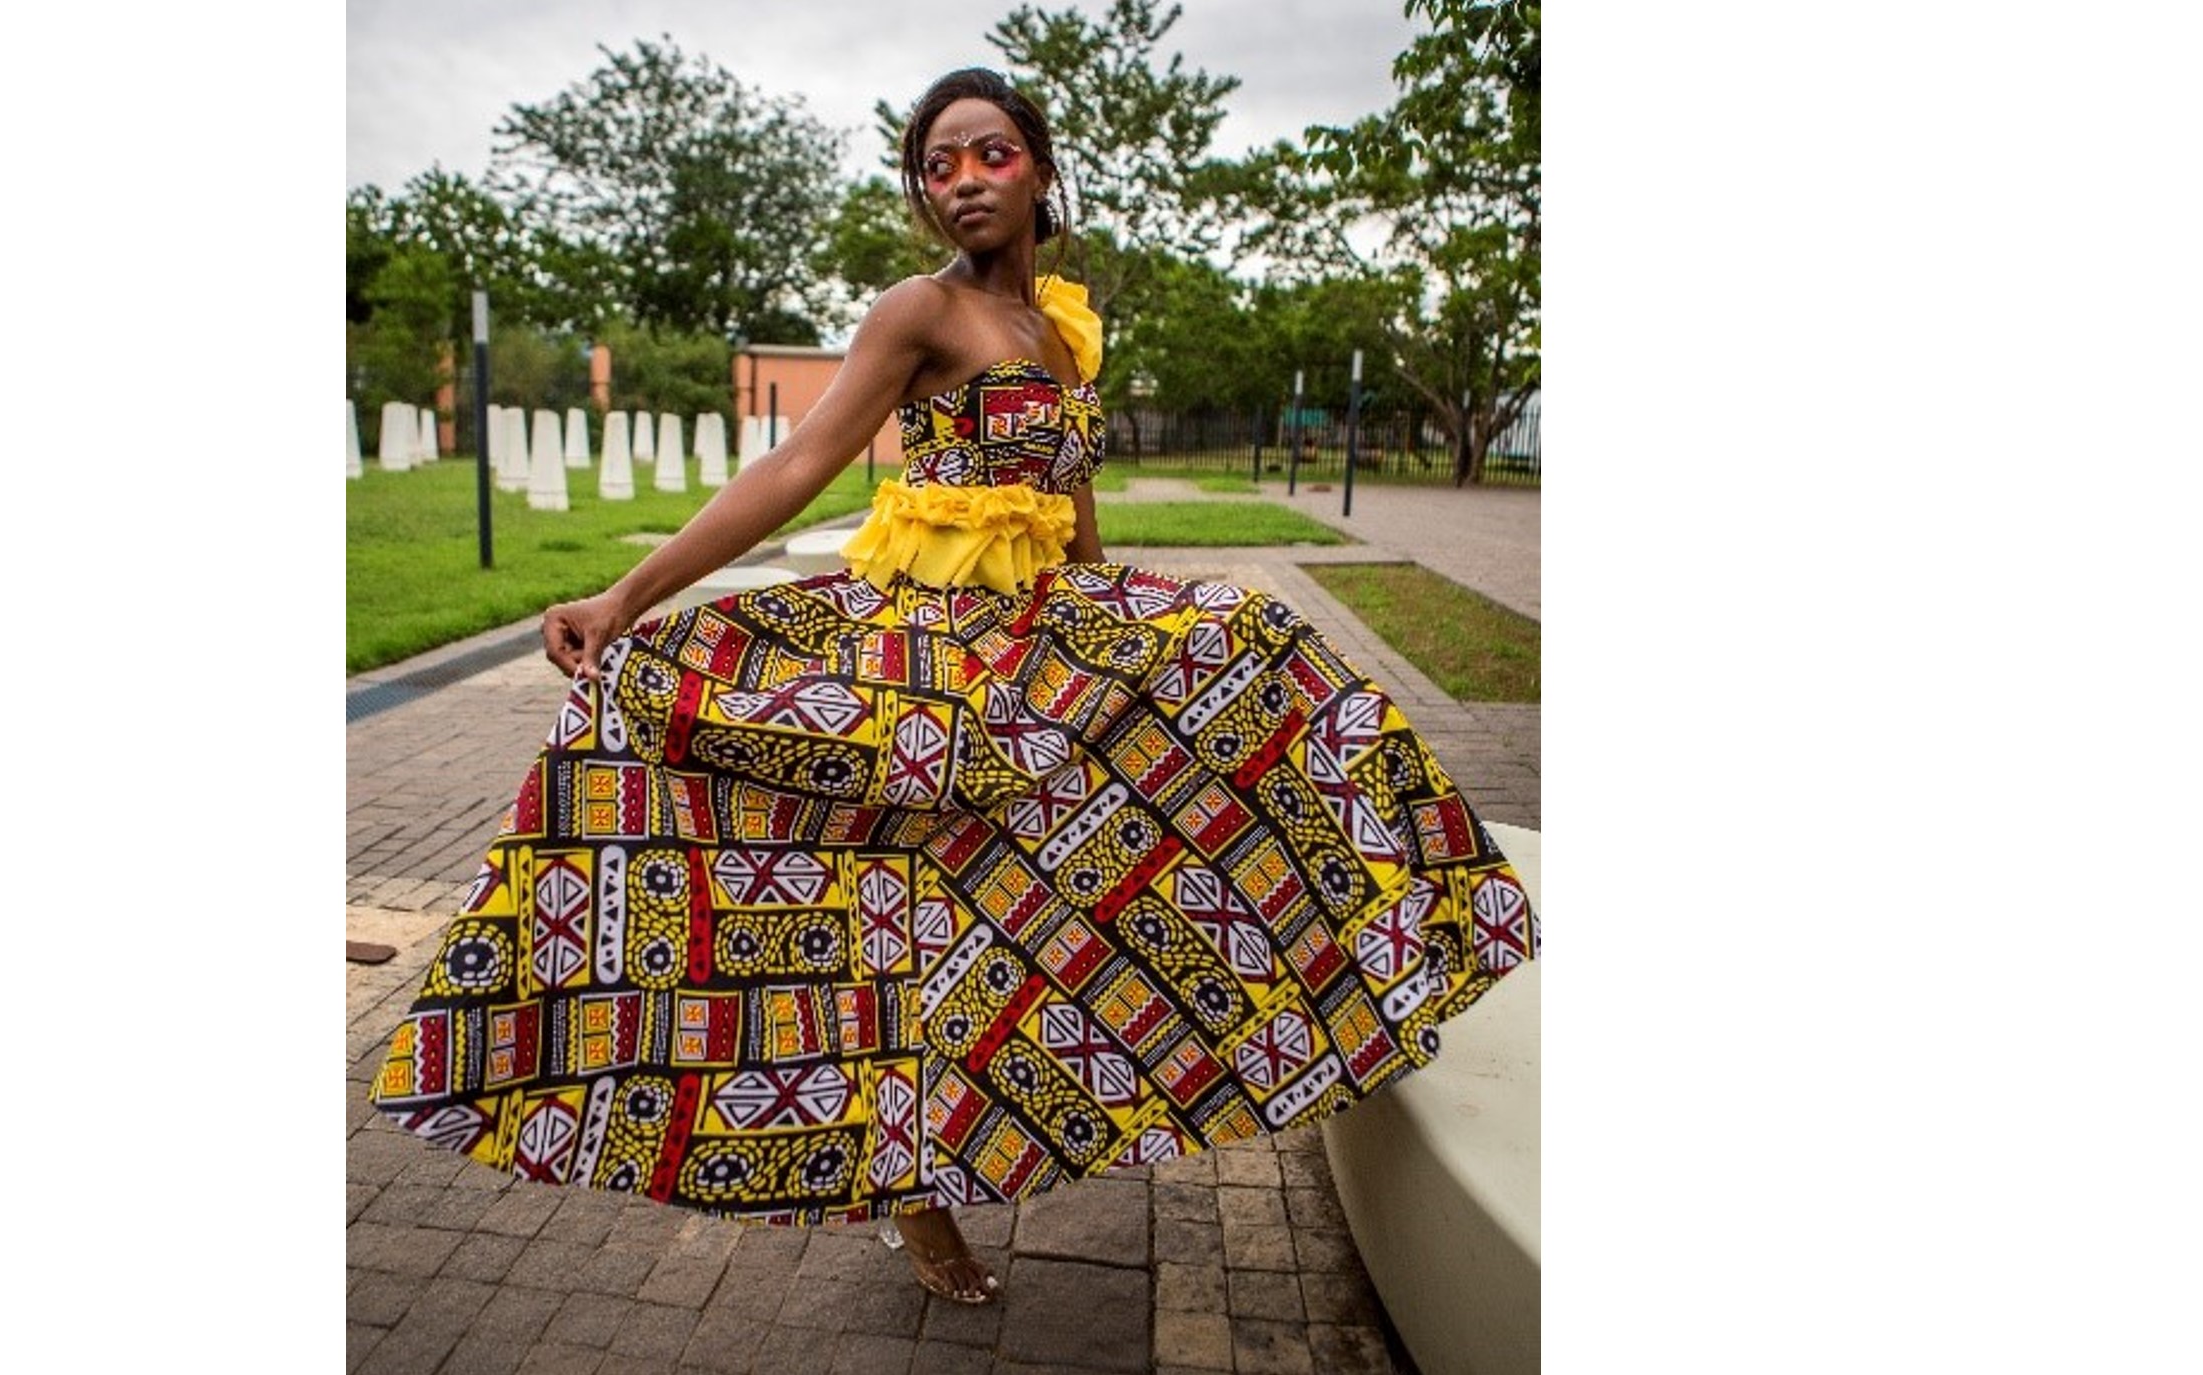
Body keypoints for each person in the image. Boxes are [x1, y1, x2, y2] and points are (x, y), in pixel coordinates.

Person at [369, 67, 1535, 1308]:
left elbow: (1070, 508)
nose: (963, 181)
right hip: (922, 642)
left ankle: (1357, 966)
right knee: (890, 910)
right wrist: (625, 599)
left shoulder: (1065, 327)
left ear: (1037, 165)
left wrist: (1114, 633)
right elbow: (800, 463)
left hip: (1040, 638)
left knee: (1249, 674)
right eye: (937, 165)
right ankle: (912, 1195)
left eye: (988, 155)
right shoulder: (916, 312)